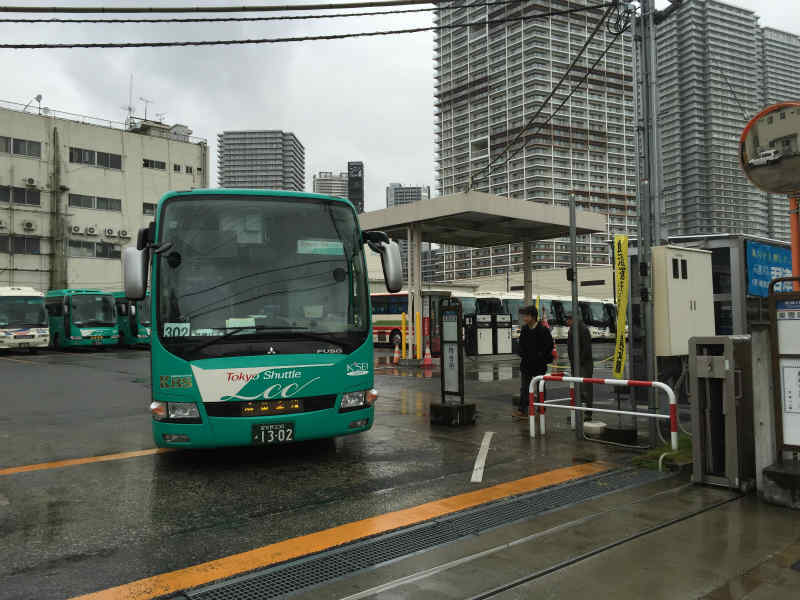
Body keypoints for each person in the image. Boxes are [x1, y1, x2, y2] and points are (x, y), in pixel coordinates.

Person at [514, 305, 554, 419]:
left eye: (526, 316)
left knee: (540, 387)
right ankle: (522, 410)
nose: (524, 318)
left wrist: (540, 357)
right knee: (524, 387)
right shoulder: (525, 329)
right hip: (526, 364)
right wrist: (522, 354)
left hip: (539, 365)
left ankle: (541, 409)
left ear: (532, 317)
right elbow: (521, 345)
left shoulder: (543, 330)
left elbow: (549, 346)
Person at [567, 313, 594, 421]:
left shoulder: (582, 329)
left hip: (583, 364)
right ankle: (578, 413)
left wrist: (579, 362)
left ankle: (588, 413)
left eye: (568, 319)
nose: (567, 322)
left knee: (585, 389)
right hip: (576, 363)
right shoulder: (572, 329)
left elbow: (586, 348)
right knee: (578, 389)